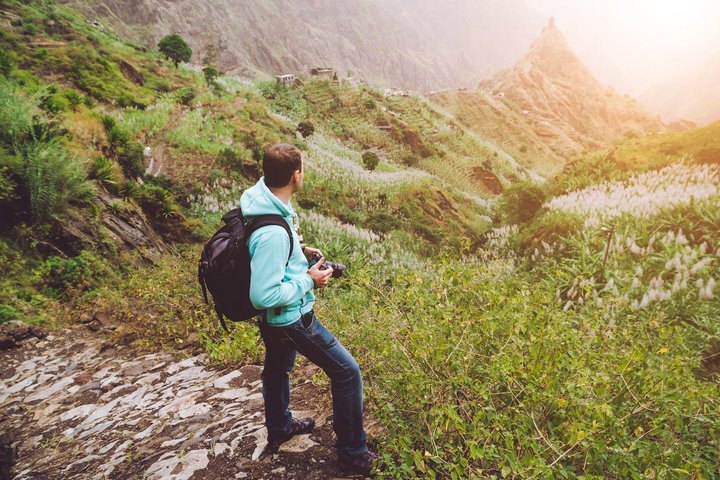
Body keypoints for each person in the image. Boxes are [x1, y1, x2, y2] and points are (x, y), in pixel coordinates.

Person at [239, 143, 378, 475]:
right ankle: (352, 452)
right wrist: (308, 280)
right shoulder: (273, 230)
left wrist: (297, 250)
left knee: (277, 367)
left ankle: (279, 425)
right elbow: (263, 294)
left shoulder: (263, 202)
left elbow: (267, 250)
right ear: (296, 176)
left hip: (276, 320)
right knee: (347, 373)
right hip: (290, 318)